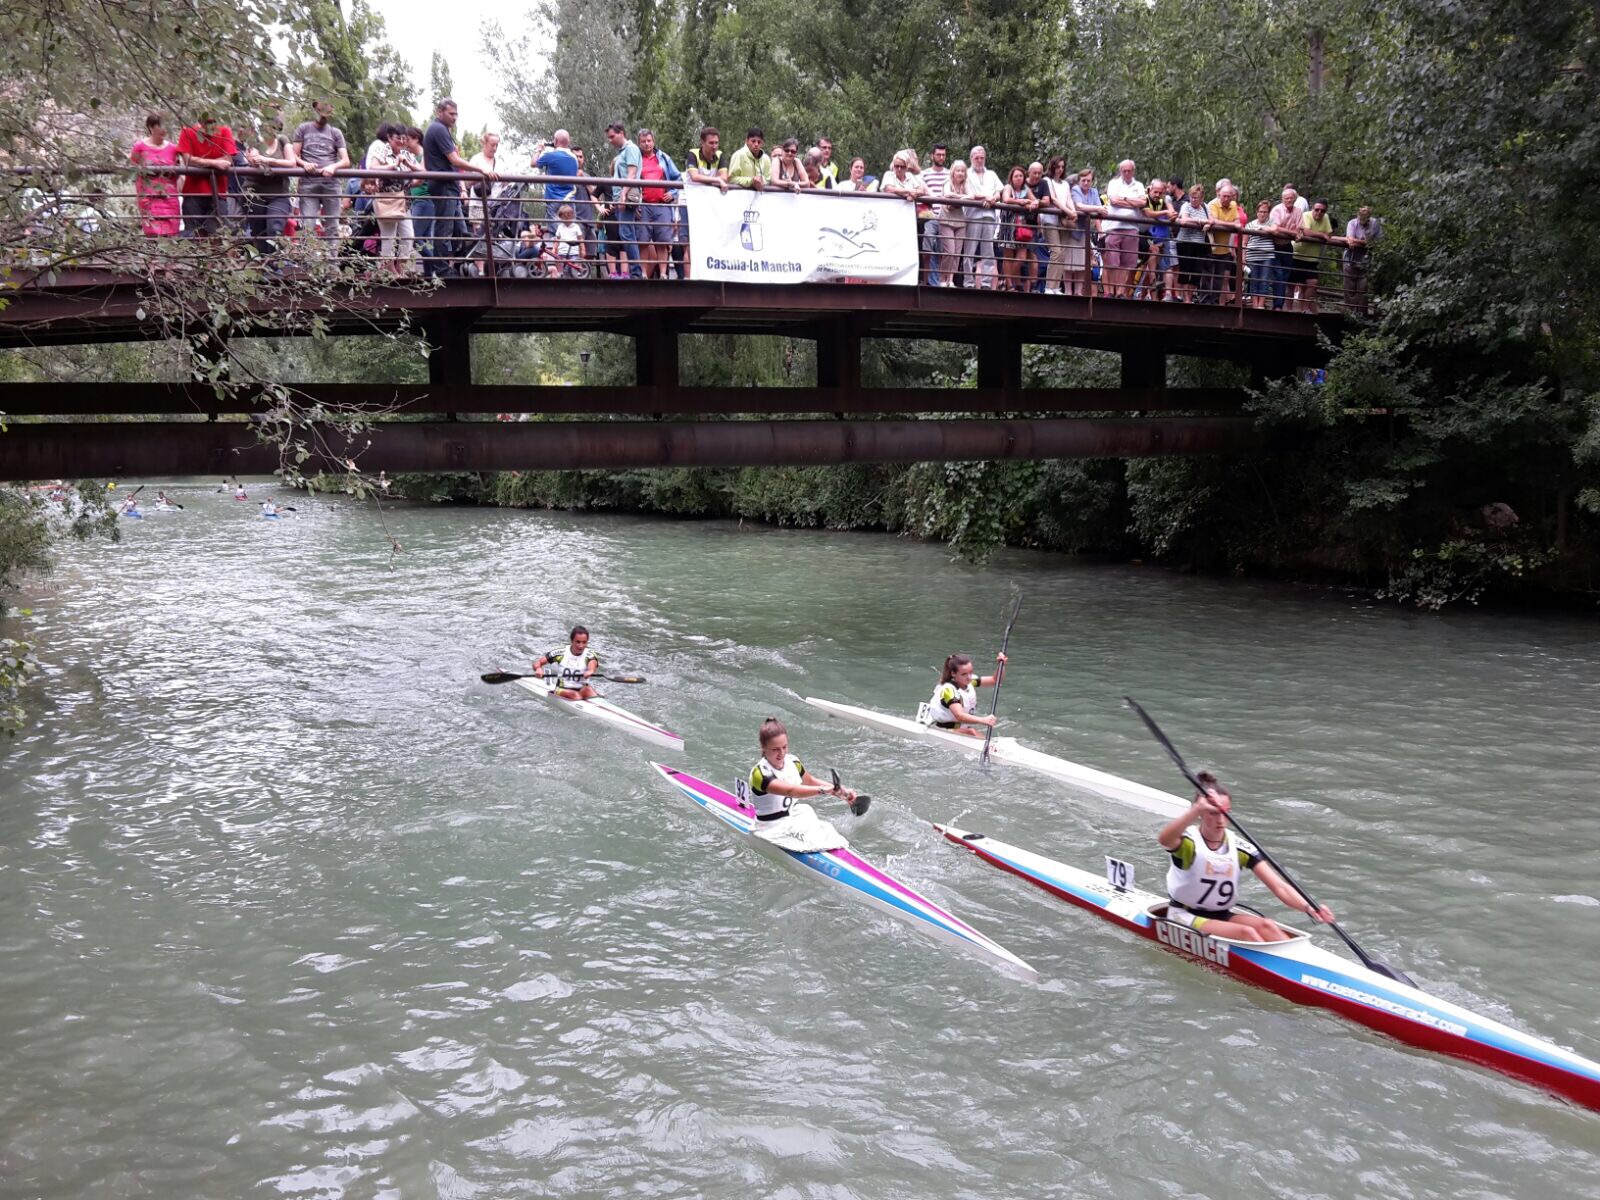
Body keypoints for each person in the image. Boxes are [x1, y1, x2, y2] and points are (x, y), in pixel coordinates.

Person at [1157, 772, 1334, 942]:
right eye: (1213, 812)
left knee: (1268, 925)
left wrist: (1310, 908)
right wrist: (1195, 810)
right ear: (1201, 813)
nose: (1221, 820)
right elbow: (1165, 840)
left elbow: (1280, 887)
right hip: (1184, 915)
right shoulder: (1190, 844)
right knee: (1246, 931)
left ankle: (1295, 967)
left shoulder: (1240, 848)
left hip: (1221, 915)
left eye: (1225, 813)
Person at [421, 99, 493, 276]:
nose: (455, 118)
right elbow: (454, 160)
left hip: (450, 185)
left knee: (460, 230)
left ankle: (457, 263)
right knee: (443, 230)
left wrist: (461, 186)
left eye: (456, 114)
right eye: (451, 114)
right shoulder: (438, 129)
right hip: (443, 185)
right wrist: (481, 169)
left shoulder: (442, 130)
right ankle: (442, 270)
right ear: (440, 112)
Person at [747, 717, 857, 824]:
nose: (782, 753)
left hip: (792, 818)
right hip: (770, 827)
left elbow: (809, 781)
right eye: (775, 749)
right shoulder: (760, 774)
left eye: (784, 747)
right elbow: (792, 791)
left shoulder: (793, 761)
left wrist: (842, 792)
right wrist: (824, 790)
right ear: (763, 748)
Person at [290, 100, 349, 243]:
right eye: (320, 108)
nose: (323, 112)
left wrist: (333, 167)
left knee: (332, 227)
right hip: (308, 184)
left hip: (331, 184)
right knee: (308, 227)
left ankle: (331, 264)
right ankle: (308, 264)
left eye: (327, 108)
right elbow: (293, 156)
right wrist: (305, 164)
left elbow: (346, 160)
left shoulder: (335, 132)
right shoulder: (303, 129)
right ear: (315, 109)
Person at [175, 112, 237, 239]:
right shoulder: (188, 132)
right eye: (208, 122)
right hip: (193, 193)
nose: (211, 125)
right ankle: (194, 258)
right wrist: (215, 163)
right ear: (201, 122)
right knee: (193, 235)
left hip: (218, 194)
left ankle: (216, 259)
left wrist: (200, 163)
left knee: (218, 234)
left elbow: (227, 159)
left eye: (214, 121)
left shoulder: (225, 132)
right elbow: (187, 160)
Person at [368, 124, 420, 275]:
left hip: (405, 201)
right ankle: (388, 269)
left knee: (409, 235)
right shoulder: (382, 149)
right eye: (398, 138)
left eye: (404, 138)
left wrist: (407, 163)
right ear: (390, 137)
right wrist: (393, 165)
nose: (402, 141)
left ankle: (401, 266)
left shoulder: (407, 154)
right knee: (388, 236)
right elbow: (373, 168)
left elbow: (421, 171)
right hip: (387, 200)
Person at [927, 651, 1008, 737]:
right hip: (942, 730)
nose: (969, 677)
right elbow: (959, 715)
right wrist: (983, 720)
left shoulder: (969, 681)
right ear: (953, 673)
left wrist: (1001, 665)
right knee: (971, 732)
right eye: (964, 674)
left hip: (961, 727)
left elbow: (994, 681)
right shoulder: (949, 690)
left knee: (971, 731)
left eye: (970, 672)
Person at [635, 129, 681, 278]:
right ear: (639, 143)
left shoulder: (663, 158)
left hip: (662, 205)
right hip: (644, 206)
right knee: (642, 241)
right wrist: (635, 204)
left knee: (662, 241)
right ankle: (642, 273)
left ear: (653, 141)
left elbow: (678, 178)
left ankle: (663, 274)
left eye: (649, 140)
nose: (647, 144)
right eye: (643, 141)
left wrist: (672, 193)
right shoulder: (637, 160)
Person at [129, 113, 181, 237]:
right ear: (151, 127)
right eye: (160, 126)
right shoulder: (139, 147)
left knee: (171, 234)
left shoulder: (173, 149)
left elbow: (178, 172)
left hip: (169, 197)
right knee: (152, 233)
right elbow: (133, 171)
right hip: (149, 197)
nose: (164, 130)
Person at [1102, 158, 1147, 299]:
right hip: (1114, 227)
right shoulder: (1113, 183)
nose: (1126, 173)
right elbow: (1114, 201)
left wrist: (1124, 199)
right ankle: (1112, 292)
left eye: (1129, 170)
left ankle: (1121, 292)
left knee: (1128, 263)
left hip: (1132, 228)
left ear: (1133, 171)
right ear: (1120, 171)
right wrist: (1132, 201)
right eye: (1124, 171)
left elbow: (1142, 202)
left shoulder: (1138, 185)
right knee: (1112, 262)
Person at [604, 122, 643, 278]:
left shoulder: (631, 149)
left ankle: (636, 272)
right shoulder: (622, 153)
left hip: (626, 198)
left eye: (612, 136)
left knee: (626, 234)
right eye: (609, 137)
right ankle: (636, 271)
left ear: (621, 133)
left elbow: (632, 174)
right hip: (622, 198)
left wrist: (622, 196)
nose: (610, 140)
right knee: (627, 234)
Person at [965, 146, 1003, 289]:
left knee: (988, 252)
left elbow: (1000, 190)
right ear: (971, 159)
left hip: (989, 216)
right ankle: (968, 282)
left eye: (982, 158)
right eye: (977, 158)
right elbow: (968, 192)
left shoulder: (992, 174)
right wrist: (986, 198)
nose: (980, 160)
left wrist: (993, 198)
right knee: (970, 250)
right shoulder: (966, 173)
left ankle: (986, 284)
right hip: (972, 215)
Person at [998, 165, 1037, 292]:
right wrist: (1021, 202)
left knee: (1022, 256)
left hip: (1021, 227)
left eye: (1021, 176)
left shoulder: (1026, 189)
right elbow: (1006, 199)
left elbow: (1035, 201)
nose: (1018, 178)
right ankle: (1009, 285)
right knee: (1008, 256)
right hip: (1008, 225)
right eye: (1016, 176)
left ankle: (1006, 280)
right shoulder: (1008, 187)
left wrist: (1034, 203)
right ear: (1011, 178)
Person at [533, 626, 600, 699]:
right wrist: (538, 669)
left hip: (582, 689)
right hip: (562, 690)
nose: (581, 646)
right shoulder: (560, 653)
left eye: (584, 642)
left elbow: (592, 663)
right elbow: (537, 663)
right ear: (572, 641)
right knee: (574, 695)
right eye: (578, 642)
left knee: (591, 692)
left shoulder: (590, 654)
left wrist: (590, 671)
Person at [1206, 180, 1245, 304]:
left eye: (1229, 196)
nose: (1227, 199)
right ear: (1219, 195)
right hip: (1211, 246)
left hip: (1225, 248)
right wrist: (1231, 224)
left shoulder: (1233, 205)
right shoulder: (1213, 204)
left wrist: (1231, 224)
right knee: (1207, 277)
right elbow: (1214, 221)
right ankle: (1205, 302)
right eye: (1224, 196)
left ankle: (1217, 303)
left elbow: (1238, 223)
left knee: (1220, 279)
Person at [1268, 186, 1307, 310]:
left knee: (1285, 276)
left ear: (1295, 199)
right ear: (1282, 199)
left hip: (1287, 246)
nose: (1289, 200)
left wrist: (1297, 234)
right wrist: (1293, 233)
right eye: (1286, 198)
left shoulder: (1298, 211)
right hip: (1275, 245)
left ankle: (1279, 303)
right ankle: (1278, 305)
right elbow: (1276, 228)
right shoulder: (1277, 210)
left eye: (1291, 198)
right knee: (1278, 275)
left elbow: (1300, 229)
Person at [1067, 166, 1102, 296]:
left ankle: (1078, 291)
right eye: (1083, 180)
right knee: (1069, 261)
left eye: (1089, 180)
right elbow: (1080, 206)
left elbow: (1100, 208)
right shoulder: (1075, 190)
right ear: (1079, 181)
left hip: (1085, 231)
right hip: (1072, 229)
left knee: (1083, 261)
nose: (1086, 183)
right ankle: (1068, 291)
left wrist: (1094, 209)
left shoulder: (1094, 192)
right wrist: (1096, 209)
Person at [1174, 182, 1210, 304]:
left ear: (1202, 198)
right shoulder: (1186, 206)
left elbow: (1211, 220)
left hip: (1199, 243)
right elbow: (1184, 221)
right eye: (1192, 197)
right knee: (1185, 269)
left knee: (1197, 271)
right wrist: (1201, 222)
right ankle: (1186, 299)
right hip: (1185, 242)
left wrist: (1208, 224)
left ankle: (1190, 296)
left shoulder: (1205, 207)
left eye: (1196, 197)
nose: (1193, 200)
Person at [1342, 204, 1381, 316]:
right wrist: (1365, 242)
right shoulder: (1352, 223)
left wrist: (1363, 242)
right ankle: (1349, 314)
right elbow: (1350, 240)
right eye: (1362, 212)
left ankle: (1361, 315)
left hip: (1366, 261)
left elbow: (1379, 242)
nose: (1364, 215)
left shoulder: (1374, 223)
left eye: (1366, 212)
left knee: (1363, 288)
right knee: (1349, 288)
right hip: (1351, 259)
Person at [1140, 178, 1175, 300]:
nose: (1157, 195)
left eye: (1160, 193)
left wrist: (1169, 213)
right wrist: (1165, 214)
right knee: (1144, 266)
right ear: (1150, 189)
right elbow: (1148, 214)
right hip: (1142, 234)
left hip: (1158, 236)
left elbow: (1172, 214)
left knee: (1155, 264)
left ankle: (1152, 296)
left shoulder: (1164, 200)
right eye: (1155, 192)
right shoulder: (1143, 198)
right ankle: (1140, 294)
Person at [921, 144, 950, 285]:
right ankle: (927, 281)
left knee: (942, 250)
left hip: (946, 216)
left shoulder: (950, 173)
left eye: (943, 155)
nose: (941, 157)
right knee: (927, 249)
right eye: (938, 154)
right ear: (932, 156)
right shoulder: (924, 174)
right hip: (930, 216)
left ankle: (938, 281)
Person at [1243, 199, 1277, 309]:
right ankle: (1255, 304)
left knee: (1264, 280)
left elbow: (1275, 230)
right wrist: (1243, 257)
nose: (1262, 214)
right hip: (1252, 256)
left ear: (1268, 213)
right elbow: (1244, 242)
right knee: (1254, 280)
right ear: (1257, 212)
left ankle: (1261, 305)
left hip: (1267, 256)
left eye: (1265, 212)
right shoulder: (1249, 225)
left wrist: (1263, 228)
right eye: (1261, 211)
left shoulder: (1272, 223)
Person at [685, 126, 728, 190]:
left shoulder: (719, 154)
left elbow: (724, 177)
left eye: (716, 143)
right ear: (702, 143)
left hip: (710, 195)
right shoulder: (693, 154)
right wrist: (718, 180)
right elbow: (695, 177)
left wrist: (719, 180)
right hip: (693, 194)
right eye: (711, 143)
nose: (714, 146)